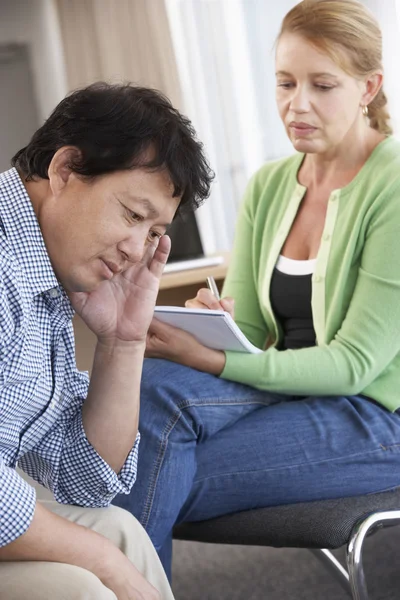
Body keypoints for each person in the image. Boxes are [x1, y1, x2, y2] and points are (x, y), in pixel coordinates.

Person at [113, 0, 400, 580]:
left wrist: (214, 357)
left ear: (369, 86)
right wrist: (216, 321)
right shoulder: (272, 184)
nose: (297, 105)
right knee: (154, 385)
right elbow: (255, 331)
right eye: (285, 82)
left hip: (374, 414)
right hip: (288, 386)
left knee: (151, 464)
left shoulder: (392, 187)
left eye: (323, 85)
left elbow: (351, 366)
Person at [0, 82, 213, 599]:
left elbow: (85, 481)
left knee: (121, 531)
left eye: (154, 232)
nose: (136, 248)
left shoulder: (45, 278)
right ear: (65, 169)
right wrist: (105, 563)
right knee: (91, 579)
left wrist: (122, 342)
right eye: (133, 215)